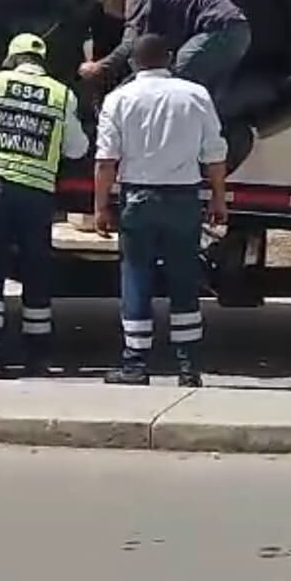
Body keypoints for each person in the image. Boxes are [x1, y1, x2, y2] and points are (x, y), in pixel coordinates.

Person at [94, 33, 228, 388]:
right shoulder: (195, 95)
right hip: (184, 198)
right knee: (184, 278)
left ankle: (135, 365)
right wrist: (218, 199)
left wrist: (101, 207)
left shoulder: (118, 99)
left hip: (138, 198)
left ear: (133, 63)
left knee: (136, 277)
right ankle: (188, 367)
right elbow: (214, 153)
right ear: (168, 59)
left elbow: (106, 160)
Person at [0, 32, 89, 379]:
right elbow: (77, 148)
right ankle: (38, 355)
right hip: (38, 195)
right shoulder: (62, 95)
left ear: (12, 58)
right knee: (36, 272)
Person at [79, 0, 251, 109]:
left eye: (104, 3)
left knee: (172, 82)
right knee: (203, 99)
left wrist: (99, 67)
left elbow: (130, 45)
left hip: (221, 31)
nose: (106, 11)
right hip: (233, 33)